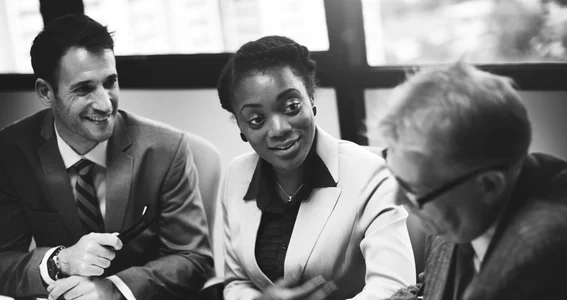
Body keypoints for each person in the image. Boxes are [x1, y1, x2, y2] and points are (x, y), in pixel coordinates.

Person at [0, 14, 214, 300]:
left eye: (110, 82)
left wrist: (113, 289)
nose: (104, 104)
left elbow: (193, 260)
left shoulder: (166, 149)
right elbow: (3, 261)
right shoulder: (11, 151)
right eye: (84, 89)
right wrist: (60, 260)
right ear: (45, 92)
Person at [376, 61, 567, 300]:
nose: (398, 199)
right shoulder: (457, 200)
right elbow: (431, 289)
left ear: (489, 186)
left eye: (414, 189)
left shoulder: (548, 263)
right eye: (396, 177)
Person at [216, 35, 416, 300]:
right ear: (242, 129)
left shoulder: (371, 174)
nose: (278, 129)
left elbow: (394, 288)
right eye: (256, 120)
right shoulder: (237, 174)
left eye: (291, 106)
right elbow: (236, 281)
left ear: (311, 98)